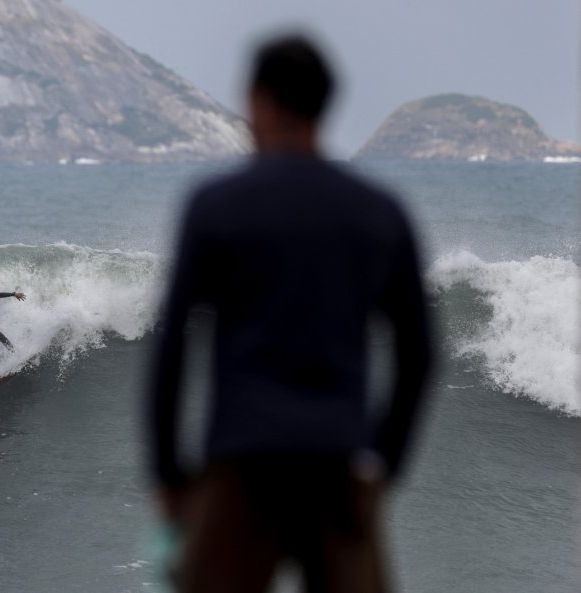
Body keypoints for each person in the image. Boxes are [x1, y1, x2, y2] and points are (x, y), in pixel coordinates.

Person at [147, 34, 433, 593]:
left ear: (259, 99)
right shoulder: (379, 213)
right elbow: (419, 354)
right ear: (324, 104)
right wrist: (384, 464)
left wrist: (170, 476)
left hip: (241, 466)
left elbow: (171, 347)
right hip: (339, 465)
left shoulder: (216, 206)